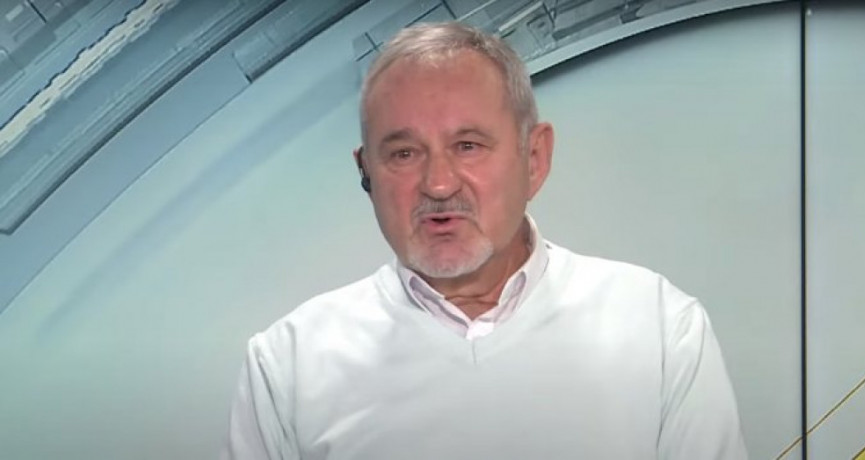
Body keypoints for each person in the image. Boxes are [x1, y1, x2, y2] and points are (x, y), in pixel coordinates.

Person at [222, 21, 747, 459]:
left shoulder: (659, 328)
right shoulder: (287, 365)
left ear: (534, 158)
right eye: (404, 154)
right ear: (367, 173)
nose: (438, 184)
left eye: (468, 145)